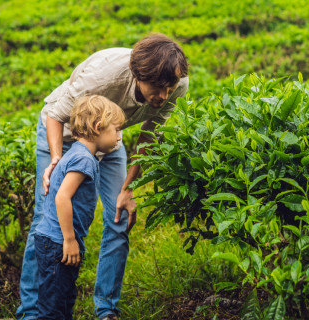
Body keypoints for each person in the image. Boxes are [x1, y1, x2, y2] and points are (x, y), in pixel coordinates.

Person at [16, 33, 189, 320]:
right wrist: (57, 160)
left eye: (169, 88)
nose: (164, 95)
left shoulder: (177, 80)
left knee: (119, 217)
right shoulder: (103, 77)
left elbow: (150, 135)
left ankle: (106, 309)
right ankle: (32, 311)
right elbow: (55, 115)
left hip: (109, 139)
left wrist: (129, 187)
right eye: (157, 88)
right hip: (63, 132)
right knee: (45, 219)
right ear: (137, 76)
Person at [34, 95, 125, 319]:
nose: (119, 137)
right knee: (54, 306)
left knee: (62, 297)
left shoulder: (76, 152)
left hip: (53, 241)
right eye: (116, 130)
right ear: (98, 127)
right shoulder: (83, 160)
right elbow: (62, 198)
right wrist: (70, 239)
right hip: (58, 242)